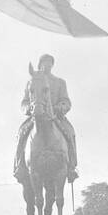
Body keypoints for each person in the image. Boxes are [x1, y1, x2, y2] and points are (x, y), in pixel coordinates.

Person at [14, 54, 78, 182]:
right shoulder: (31, 82)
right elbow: (24, 102)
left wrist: (59, 108)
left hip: (56, 117)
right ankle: (19, 165)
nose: (47, 65)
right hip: (35, 116)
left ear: (52, 65)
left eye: (49, 63)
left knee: (70, 132)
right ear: (40, 65)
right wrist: (28, 109)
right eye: (44, 62)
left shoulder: (60, 82)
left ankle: (71, 167)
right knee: (21, 133)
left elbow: (66, 101)